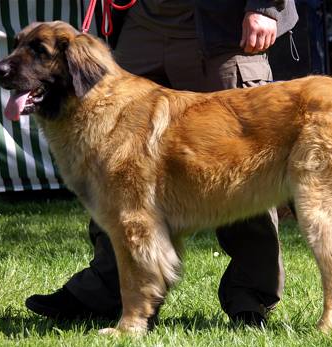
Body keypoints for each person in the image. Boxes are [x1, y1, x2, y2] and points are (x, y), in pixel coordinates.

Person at [25, 0, 298, 327]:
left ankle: (249, 299)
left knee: (238, 160)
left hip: (220, 23)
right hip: (145, 20)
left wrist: (264, 7)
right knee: (112, 165)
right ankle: (108, 295)